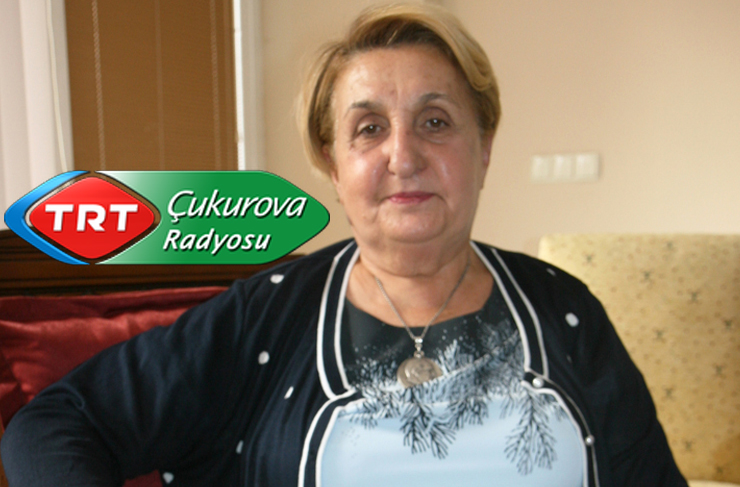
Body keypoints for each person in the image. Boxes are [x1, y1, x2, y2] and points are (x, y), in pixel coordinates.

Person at [1, 4, 688, 486]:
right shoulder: (264, 318)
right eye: (368, 129)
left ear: (483, 149)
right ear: (333, 164)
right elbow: (56, 424)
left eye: (436, 121)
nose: (404, 156)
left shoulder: (566, 311)